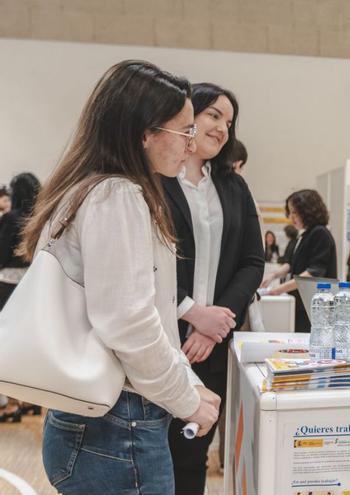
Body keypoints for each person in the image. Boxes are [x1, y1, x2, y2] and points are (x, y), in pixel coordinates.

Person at [19, 60, 220, 494]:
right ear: (145, 132)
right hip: (118, 426)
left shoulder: (92, 189)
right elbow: (128, 322)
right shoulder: (118, 195)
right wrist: (187, 399)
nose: (191, 143)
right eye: (184, 130)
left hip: (99, 423)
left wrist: (189, 385)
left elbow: (147, 315)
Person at [161, 82, 264, 495]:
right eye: (214, 115)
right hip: (162, 337)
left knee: (193, 449)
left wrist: (215, 321)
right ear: (188, 115)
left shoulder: (233, 186)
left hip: (212, 345)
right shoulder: (156, 179)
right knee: (155, 450)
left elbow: (252, 261)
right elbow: (150, 262)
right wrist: (190, 312)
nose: (223, 128)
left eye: (230, 122)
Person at [263, 189, 337, 332]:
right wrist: (273, 275)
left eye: (294, 212)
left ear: (308, 210)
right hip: (302, 303)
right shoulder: (304, 235)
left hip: (315, 307)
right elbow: (291, 264)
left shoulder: (320, 233)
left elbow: (312, 274)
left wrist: (278, 290)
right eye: (290, 212)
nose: (291, 217)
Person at [0, 173, 41, 423]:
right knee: (27, 343)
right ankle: (30, 400)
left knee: (5, 343)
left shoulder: (11, 219)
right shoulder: (41, 216)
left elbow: (2, 254)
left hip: (6, 284)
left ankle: (9, 403)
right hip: (31, 284)